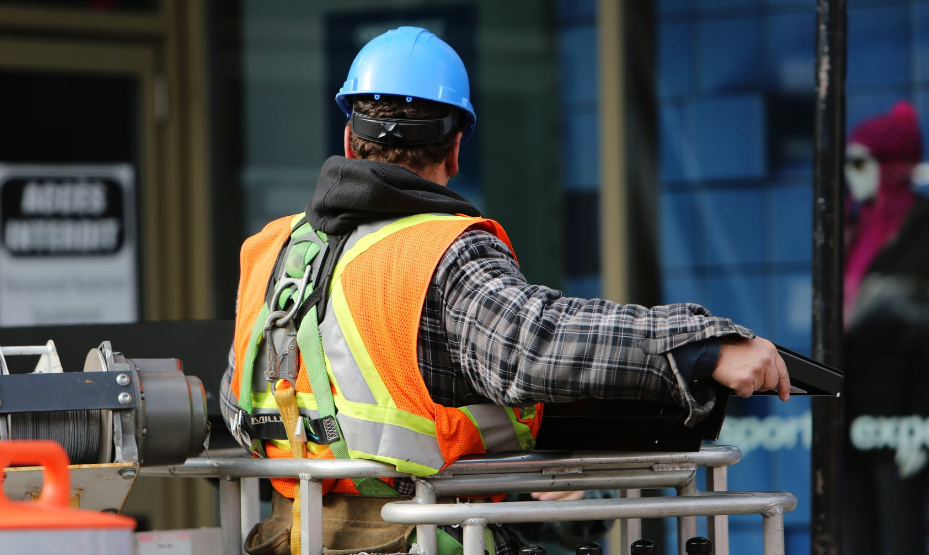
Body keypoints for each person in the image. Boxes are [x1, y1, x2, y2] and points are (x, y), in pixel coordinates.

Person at [219, 26, 790, 555]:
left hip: (297, 537)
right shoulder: (440, 251)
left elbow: (237, 398)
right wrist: (702, 345)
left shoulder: (271, 251)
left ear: (348, 138)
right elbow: (531, 344)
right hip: (416, 539)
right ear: (456, 149)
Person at [842, 101, 929, 555]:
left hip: (902, 420)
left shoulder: (921, 233)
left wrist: (922, 424)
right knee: (855, 539)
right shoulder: (850, 232)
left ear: (888, 166)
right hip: (850, 415)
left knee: (901, 538)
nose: (850, 174)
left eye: (859, 162)